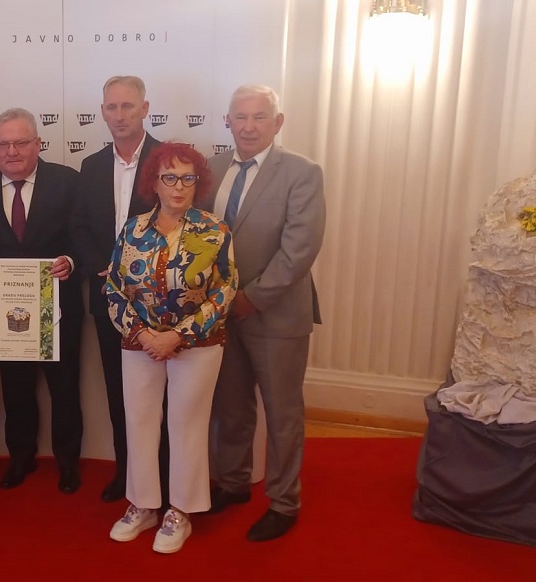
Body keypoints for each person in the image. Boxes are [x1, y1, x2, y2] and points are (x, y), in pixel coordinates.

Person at [205, 85, 326, 542]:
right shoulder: (211, 169)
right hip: (220, 314)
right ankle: (233, 483)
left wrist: (250, 298)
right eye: (241, 117)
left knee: (282, 413)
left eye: (260, 117)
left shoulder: (302, 172)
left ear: (278, 123)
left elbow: (300, 249)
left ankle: (283, 502)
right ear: (228, 122)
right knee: (230, 406)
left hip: (276, 315)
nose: (249, 126)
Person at [105, 142, 237, 554]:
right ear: (154, 183)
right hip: (140, 344)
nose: (178, 187)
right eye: (169, 178)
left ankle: (180, 511)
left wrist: (177, 336)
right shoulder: (132, 230)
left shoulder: (214, 230)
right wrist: (144, 336)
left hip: (197, 345)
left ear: (198, 183)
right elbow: (113, 287)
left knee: (187, 425)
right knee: (139, 422)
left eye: (187, 178)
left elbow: (225, 290)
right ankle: (143, 505)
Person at [0, 108, 84, 494]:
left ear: (38, 143)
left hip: (58, 306)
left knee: (65, 388)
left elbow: (84, 236)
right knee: (15, 388)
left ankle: (68, 462)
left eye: (20, 142)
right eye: (3, 144)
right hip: (5, 309)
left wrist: (71, 261)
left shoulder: (68, 182)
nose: (11, 151)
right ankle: (20, 457)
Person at [70, 75, 169, 503]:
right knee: (119, 392)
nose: (119, 115)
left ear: (145, 109)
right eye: (112, 107)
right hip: (108, 301)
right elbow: (78, 227)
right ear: (102, 112)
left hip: (159, 306)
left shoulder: (168, 161)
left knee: (162, 398)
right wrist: (105, 270)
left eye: (128, 106)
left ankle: (164, 480)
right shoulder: (91, 166)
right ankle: (127, 474)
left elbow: (182, 227)